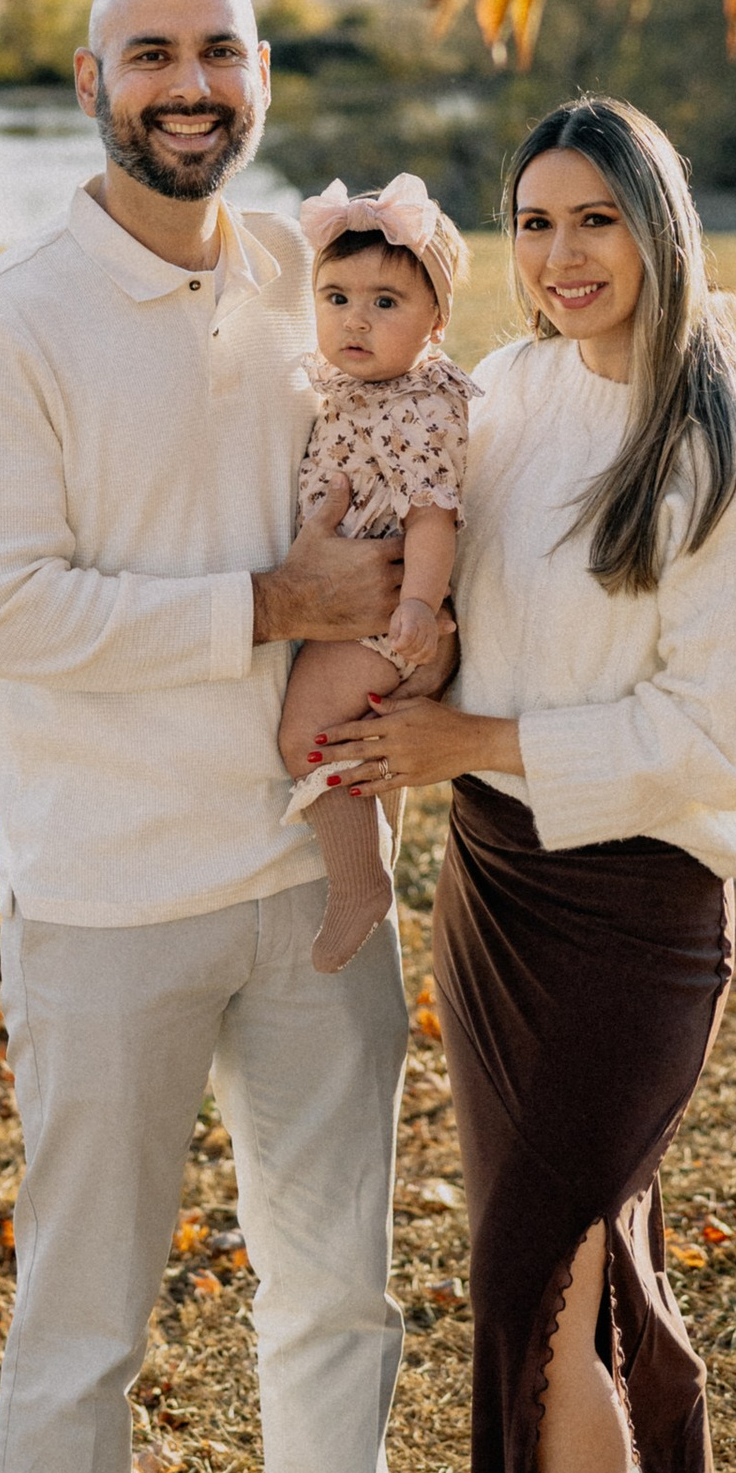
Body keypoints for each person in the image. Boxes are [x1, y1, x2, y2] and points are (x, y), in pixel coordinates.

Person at [0, 0, 485, 1473]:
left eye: (221, 50)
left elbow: (425, 452)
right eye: (150, 52)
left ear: (256, 77)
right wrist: (269, 607)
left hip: (312, 869)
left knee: (338, 1283)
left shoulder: (302, 285)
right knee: (88, 1313)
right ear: (92, 82)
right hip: (109, 895)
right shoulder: (12, 319)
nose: (190, 82)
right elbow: (3, 609)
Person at [312, 94, 736, 1473]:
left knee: (533, 1285)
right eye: (531, 223)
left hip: (637, 900)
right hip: (499, 889)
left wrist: (467, 738)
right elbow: (411, 518)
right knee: (602, 1251)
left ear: (661, 226)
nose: (560, 256)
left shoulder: (733, 450)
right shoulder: (511, 396)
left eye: (595, 218)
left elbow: (716, 739)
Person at [277, 176, 474, 976]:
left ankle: (360, 884)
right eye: (336, 297)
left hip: (383, 616)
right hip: (357, 610)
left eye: (385, 302)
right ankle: (372, 859)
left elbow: (433, 516)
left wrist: (419, 606)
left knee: (307, 737)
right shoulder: (349, 391)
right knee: (359, 748)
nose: (355, 320)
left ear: (436, 321)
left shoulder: (421, 406)